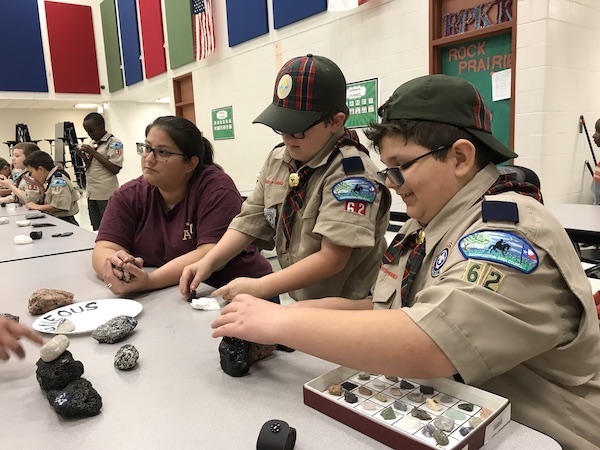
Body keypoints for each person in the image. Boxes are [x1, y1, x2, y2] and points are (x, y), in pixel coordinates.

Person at [209, 75, 600, 449]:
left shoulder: (508, 235)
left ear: (461, 157)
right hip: (461, 417)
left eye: (400, 166)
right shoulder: (427, 221)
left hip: (545, 435)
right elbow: (384, 309)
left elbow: (430, 342)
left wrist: (282, 321)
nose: (392, 184)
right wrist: (292, 315)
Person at [180, 54, 391, 302]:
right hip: (302, 301)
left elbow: (332, 259)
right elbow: (249, 220)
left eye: (298, 129)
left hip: (347, 307)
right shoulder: (280, 159)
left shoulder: (352, 175)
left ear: (335, 122)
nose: (287, 138)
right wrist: (209, 261)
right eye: (281, 127)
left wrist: (261, 286)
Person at [93, 116, 273, 295]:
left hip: (233, 292)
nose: (148, 159)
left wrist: (150, 281)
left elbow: (209, 253)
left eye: (162, 153)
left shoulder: (216, 189)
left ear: (190, 163)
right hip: (170, 294)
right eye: (147, 148)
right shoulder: (129, 195)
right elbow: (104, 248)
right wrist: (116, 268)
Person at [75, 112, 123, 230]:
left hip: (106, 193)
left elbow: (115, 168)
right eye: (87, 132)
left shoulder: (114, 143)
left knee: (111, 227)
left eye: (92, 130)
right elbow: (93, 165)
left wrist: (93, 153)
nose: (90, 134)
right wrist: (84, 157)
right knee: (97, 228)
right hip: (92, 192)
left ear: (102, 126)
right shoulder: (93, 143)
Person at [23, 150, 79, 225]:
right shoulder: (49, 180)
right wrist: (40, 186)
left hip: (64, 222)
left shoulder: (58, 180)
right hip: (57, 220)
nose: (32, 176)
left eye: (31, 173)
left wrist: (36, 207)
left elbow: (59, 206)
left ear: (41, 169)